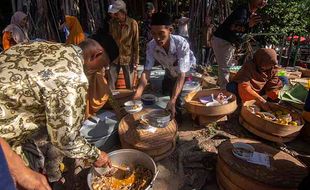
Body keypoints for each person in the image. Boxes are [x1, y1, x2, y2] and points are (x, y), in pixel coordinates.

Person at [0, 39, 112, 187]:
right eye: (102, 66)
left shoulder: (45, 45)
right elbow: (66, 139)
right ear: (96, 54)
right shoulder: (73, 76)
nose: (100, 71)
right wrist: (96, 155)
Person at [133, 12, 196, 122]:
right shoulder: (151, 46)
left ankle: (178, 121)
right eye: (153, 34)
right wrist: (138, 94)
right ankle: (173, 114)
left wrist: (173, 100)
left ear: (170, 30)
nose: (157, 38)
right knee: (168, 90)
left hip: (186, 70)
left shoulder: (181, 43)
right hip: (170, 69)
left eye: (161, 34)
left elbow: (182, 74)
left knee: (177, 99)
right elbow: (146, 71)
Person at [212, 0, 268, 89]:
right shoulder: (243, 11)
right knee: (224, 68)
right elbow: (234, 27)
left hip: (228, 41)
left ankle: (222, 86)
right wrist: (249, 24)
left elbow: (242, 31)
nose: (263, 2)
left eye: (266, 0)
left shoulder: (251, 12)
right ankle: (224, 91)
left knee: (226, 66)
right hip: (222, 40)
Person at [108, 0, 139, 90]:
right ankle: (113, 102)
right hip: (114, 57)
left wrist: (136, 61)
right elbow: (110, 40)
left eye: (116, 14)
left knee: (130, 84)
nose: (114, 16)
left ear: (123, 12)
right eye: (114, 14)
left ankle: (131, 101)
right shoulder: (112, 23)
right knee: (111, 82)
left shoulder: (133, 23)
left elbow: (135, 43)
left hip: (127, 57)